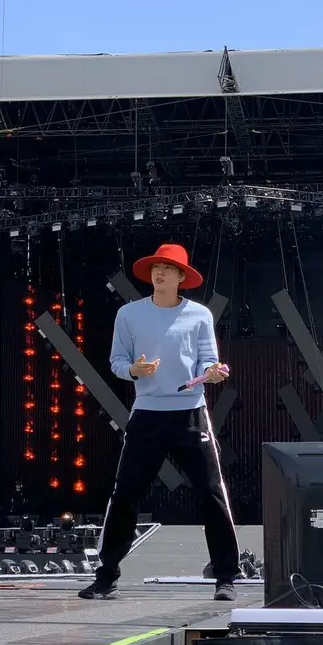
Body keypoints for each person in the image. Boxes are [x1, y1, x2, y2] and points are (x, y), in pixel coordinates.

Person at [78, 244, 240, 602]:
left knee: (212, 493)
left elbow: (208, 361)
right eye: (156, 267)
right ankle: (106, 576)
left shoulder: (199, 315)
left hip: (190, 412)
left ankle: (226, 576)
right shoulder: (129, 314)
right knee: (125, 494)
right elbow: (117, 362)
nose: (160, 273)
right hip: (147, 414)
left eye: (168, 268)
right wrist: (134, 370)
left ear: (182, 276)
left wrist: (211, 372)